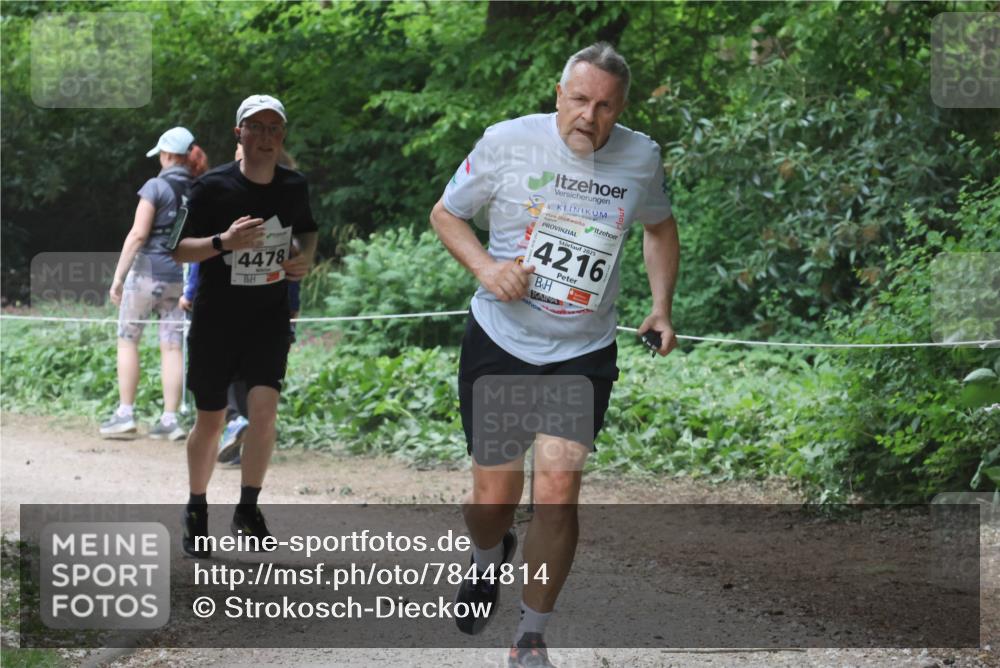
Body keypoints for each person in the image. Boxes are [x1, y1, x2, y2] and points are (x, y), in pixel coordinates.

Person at [429, 43, 679, 667]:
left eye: (606, 106)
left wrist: (660, 305)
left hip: (582, 351)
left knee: (559, 490)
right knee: (493, 501)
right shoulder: (507, 141)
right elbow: (447, 214)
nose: (590, 117)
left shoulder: (641, 157)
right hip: (503, 341)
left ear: (621, 108)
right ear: (558, 94)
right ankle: (488, 554)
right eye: (580, 100)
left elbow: (658, 225)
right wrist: (487, 269)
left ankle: (531, 637)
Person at [171, 94, 317, 558]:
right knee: (211, 419)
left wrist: (305, 258)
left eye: (275, 128)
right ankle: (197, 507)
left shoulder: (293, 186)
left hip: (268, 316)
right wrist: (224, 241)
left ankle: (248, 508)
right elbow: (177, 248)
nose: (267, 137)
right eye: (257, 127)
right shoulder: (211, 187)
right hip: (216, 318)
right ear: (240, 133)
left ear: (282, 136)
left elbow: (307, 230)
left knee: (263, 412)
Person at [178, 144, 302, 466]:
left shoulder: (237, 205)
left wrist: (190, 294)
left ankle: (237, 422)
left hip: (236, 313)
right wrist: (293, 310)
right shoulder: (280, 208)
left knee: (235, 376)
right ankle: (241, 427)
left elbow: (204, 262)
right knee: (253, 379)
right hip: (267, 314)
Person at [101, 127, 208, 441]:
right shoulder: (199, 188)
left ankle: (125, 414)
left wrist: (118, 278)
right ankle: (169, 419)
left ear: (168, 155)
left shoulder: (156, 186)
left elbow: (138, 234)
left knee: (128, 340)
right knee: (172, 346)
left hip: (147, 274)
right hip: (179, 277)